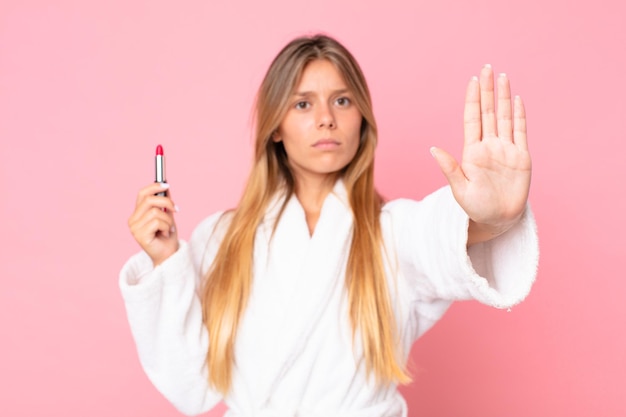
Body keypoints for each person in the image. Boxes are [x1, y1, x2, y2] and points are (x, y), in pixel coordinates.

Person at [120, 34, 538, 417]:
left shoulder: (392, 232)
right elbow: (188, 386)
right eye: (303, 104)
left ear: (362, 118)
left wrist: (489, 216)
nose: (326, 119)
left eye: (342, 101)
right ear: (276, 127)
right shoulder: (222, 238)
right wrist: (167, 261)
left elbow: (440, 237)